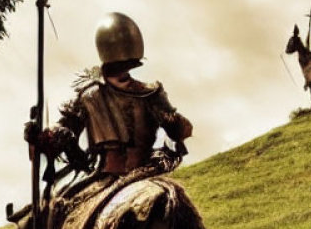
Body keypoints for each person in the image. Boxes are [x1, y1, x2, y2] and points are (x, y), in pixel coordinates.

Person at [27, 11, 193, 176]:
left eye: (126, 65)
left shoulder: (150, 94)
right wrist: (45, 136)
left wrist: (174, 123)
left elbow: (181, 129)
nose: (123, 71)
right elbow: (63, 128)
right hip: (105, 177)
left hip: (146, 173)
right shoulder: (89, 97)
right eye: (119, 66)